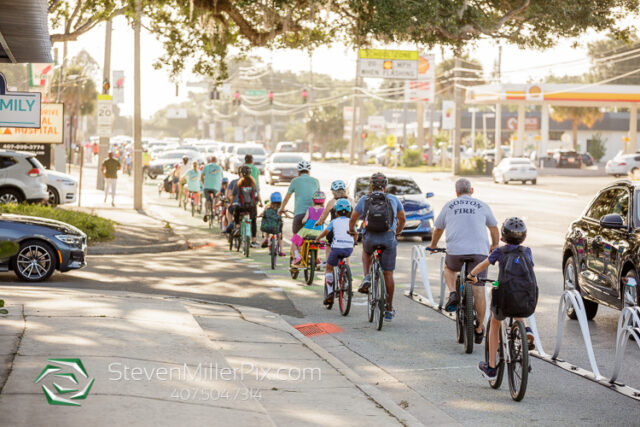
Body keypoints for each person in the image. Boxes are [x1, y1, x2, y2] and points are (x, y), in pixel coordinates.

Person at [428, 178, 499, 344]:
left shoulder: (449, 205)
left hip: (456, 252)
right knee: (478, 287)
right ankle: (480, 328)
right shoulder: (482, 205)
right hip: (479, 253)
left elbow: (438, 228)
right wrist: (494, 245)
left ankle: (453, 292)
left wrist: (433, 245)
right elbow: (494, 228)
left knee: (449, 269)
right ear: (472, 191)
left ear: (456, 192)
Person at [467, 217, 537, 380]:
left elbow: (483, 265)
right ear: (524, 237)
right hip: (526, 293)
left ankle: (491, 368)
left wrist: (471, 275)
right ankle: (525, 329)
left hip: (504, 293)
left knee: (495, 324)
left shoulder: (500, 251)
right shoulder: (527, 251)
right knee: (518, 300)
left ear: (502, 238)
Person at [349, 172, 406, 322]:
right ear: (385, 187)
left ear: (371, 186)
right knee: (388, 274)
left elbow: (353, 218)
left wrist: (352, 230)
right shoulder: (393, 199)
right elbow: (402, 218)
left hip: (370, 237)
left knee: (366, 252)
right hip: (388, 237)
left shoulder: (364, 199)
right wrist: (397, 232)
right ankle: (389, 309)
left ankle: (367, 276)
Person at [315, 199, 355, 306]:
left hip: (336, 248)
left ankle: (330, 293)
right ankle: (346, 280)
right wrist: (354, 242)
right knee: (344, 259)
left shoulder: (334, 221)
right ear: (349, 211)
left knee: (329, 268)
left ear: (336, 212)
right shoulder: (352, 221)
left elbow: (325, 232)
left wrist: (318, 239)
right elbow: (355, 233)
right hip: (348, 249)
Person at [315, 180, 354, 265]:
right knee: (347, 250)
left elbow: (323, 217)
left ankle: (329, 268)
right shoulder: (351, 201)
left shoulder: (332, 202)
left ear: (333, 191)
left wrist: (319, 222)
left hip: (334, 231)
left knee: (328, 246)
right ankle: (347, 269)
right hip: (348, 230)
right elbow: (356, 215)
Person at [278, 160, 319, 238]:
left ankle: (296, 250)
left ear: (298, 171)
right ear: (309, 171)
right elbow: (319, 198)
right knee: (313, 237)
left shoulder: (295, 181)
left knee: (296, 237)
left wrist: (281, 208)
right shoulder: (316, 181)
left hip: (299, 214)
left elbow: (286, 198)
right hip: (313, 214)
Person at [291, 191, 325, 266]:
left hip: (306, 231)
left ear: (314, 200)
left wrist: (303, 222)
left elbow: (304, 220)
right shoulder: (324, 210)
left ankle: (297, 256)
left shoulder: (310, 209)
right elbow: (323, 220)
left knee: (294, 240)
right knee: (318, 242)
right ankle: (318, 257)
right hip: (318, 232)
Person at [232, 166, 259, 247]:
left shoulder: (239, 183)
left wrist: (231, 203)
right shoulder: (253, 183)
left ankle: (237, 227)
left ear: (241, 173)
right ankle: (253, 240)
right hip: (251, 207)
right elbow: (256, 195)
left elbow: (233, 195)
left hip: (241, 207)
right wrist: (259, 202)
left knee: (236, 213)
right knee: (253, 221)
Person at [260, 192, 286, 256]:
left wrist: (259, 216)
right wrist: (287, 216)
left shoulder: (267, 208)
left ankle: (266, 239)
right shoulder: (281, 208)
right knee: (280, 236)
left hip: (268, 227)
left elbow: (262, 214)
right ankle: (281, 251)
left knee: (268, 226)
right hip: (277, 227)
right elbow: (285, 214)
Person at [201, 156, 224, 222]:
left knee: (207, 199)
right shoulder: (219, 167)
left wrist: (203, 184)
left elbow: (202, 176)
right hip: (216, 187)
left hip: (207, 186)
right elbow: (222, 178)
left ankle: (206, 212)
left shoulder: (206, 167)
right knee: (216, 198)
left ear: (210, 160)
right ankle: (216, 211)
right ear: (216, 160)